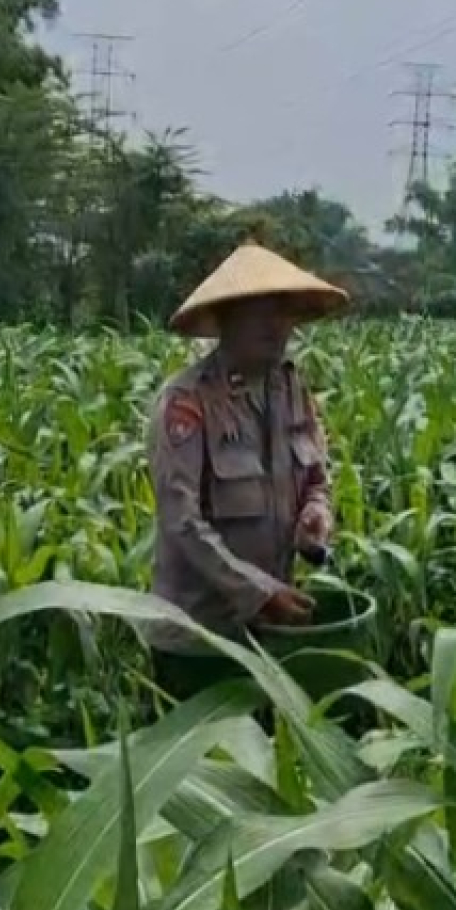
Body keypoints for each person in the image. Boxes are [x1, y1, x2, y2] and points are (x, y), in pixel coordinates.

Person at [146, 244, 349, 699]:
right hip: (200, 640)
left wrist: (316, 515)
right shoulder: (187, 402)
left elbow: (317, 477)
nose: (277, 325)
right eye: (261, 312)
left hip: (269, 636)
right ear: (225, 319)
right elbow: (182, 521)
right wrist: (260, 593)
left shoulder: (292, 390)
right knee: (204, 767)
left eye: (283, 311)